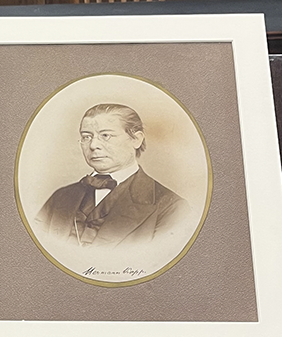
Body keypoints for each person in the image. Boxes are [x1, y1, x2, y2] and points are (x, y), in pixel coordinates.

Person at [35, 102, 195, 255]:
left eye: (105, 135)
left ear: (136, 139)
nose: (93, 145)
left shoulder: (171, 208)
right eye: (86, 137)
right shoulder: (60, 198)